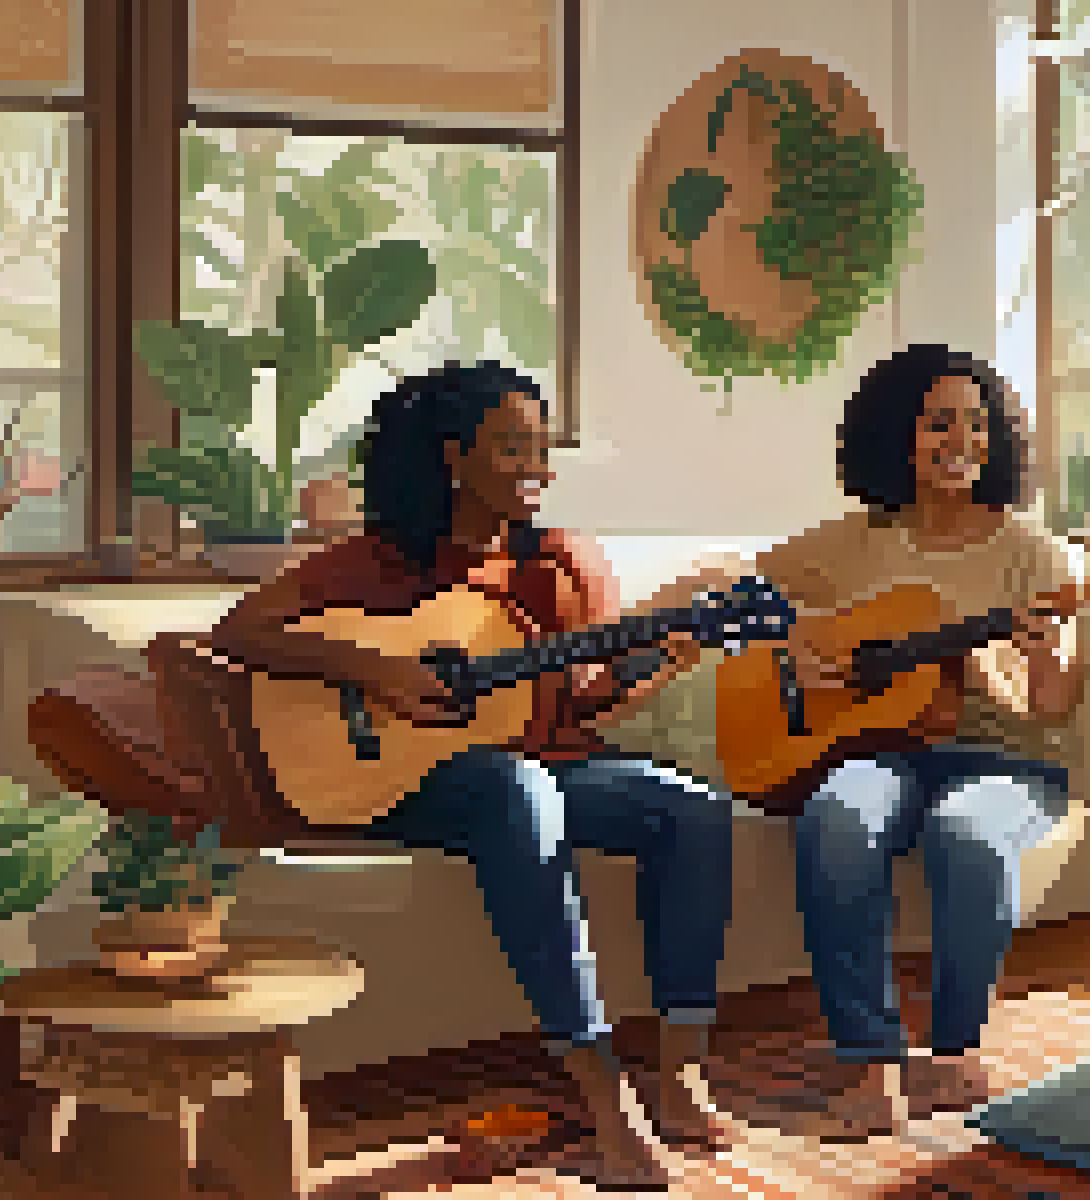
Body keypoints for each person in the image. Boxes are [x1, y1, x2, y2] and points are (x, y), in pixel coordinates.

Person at [209, 362, 736, 1190]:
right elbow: (240, 633)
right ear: (454, 457)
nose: (536, 467)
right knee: (512, 788)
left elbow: (586, 702)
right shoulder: (377, 561)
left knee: (695, 811)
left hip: (541, 771)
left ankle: (679, 1075)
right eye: (512, 448)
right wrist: (371, 671)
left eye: (541, 448)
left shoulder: (564, 562)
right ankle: (605, 1098)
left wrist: (657, 667)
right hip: (399, 779)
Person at [745, 344, 1088, 1138]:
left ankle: (957, 1052)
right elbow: (748, 595)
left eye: (977, 424)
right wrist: (805, 652)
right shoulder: (858, 542)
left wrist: (1029, 658)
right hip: (885, 753)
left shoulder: (1036, 555)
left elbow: (1055, 709)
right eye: (940, 423)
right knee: (837, 816)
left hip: (1010, 761)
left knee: (964, 834)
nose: (962, 440)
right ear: (897, 434)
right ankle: (869, 1066)